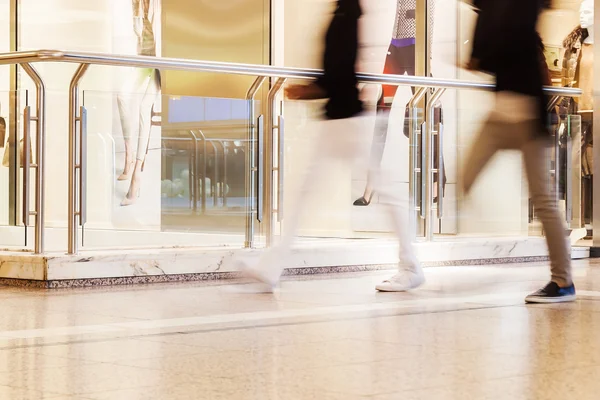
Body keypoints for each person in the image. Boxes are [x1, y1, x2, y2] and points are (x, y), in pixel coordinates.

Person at [240, 0, 425, 292]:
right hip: (339, 118)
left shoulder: (349, 11)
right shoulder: (344, 10)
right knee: (308, 193)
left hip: (347, 118)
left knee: (384, 191)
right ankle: (271, 267)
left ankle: (411, 266)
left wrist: (312, 89)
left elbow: (341, 67)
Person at [465, 0, 575, 303]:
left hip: (526, 111)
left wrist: (478, 56)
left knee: (544, 200)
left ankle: (563, 281)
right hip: (502, 111)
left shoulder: (518, 9)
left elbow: (508, 39)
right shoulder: (492, 9)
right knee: (465, 178)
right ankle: (488, 253)